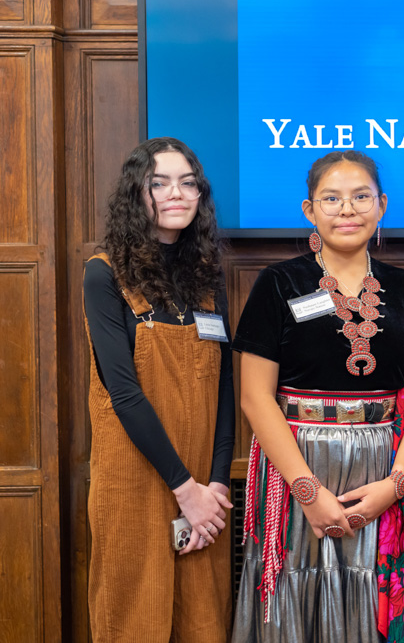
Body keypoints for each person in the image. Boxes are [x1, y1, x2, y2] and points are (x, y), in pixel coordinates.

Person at [231, 150, 404, 643]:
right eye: (331, 198)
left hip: (384, 463)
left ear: (382, 206)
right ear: (309, 210)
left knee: (377, 597)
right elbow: (254, 397)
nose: (347, 209)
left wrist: (395, 486)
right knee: (297, 598)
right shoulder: (278, 283)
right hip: (297, 462)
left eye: (360, 197)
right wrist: (306, 491)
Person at [83, 137, 235, 641]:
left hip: (203, 495)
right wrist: (184, 489)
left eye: (188, 182)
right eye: (160, 182)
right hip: (136, 480)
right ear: (137, 193)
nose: (177, 193)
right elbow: (123, 394)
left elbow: (225, 391)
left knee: (204, 622)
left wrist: (213, 486)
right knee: (132, 621)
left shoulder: (209, 277)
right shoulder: (104, 275)